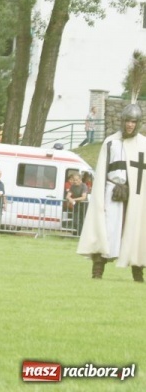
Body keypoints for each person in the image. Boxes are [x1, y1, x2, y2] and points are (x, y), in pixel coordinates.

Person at [77, 103, 146, 282]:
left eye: (133, 121)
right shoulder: (111, 142)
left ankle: (138, 274)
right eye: (127, 121)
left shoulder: (143, 144)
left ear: (137, 123)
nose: (130, 125)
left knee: (135, 230)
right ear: (122, 121)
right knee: (107, 229)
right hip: (112, 191)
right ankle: (97, 272)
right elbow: (102, 171)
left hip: (135, 196)